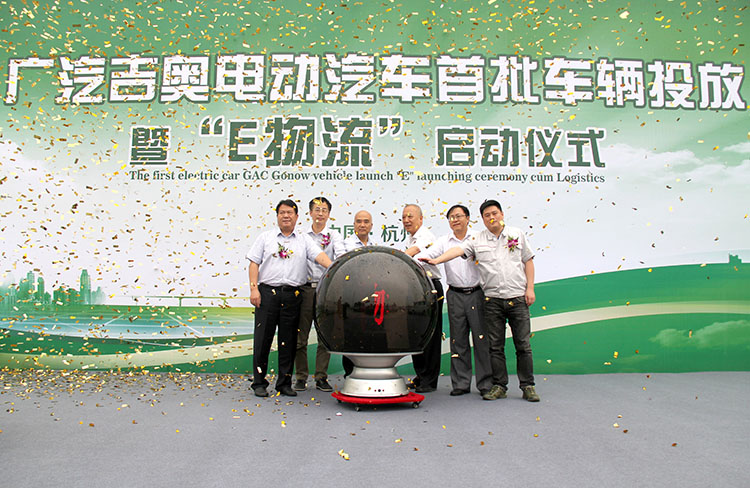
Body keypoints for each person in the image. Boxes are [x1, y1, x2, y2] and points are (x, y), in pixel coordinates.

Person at [421, 200, 540, 402]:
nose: (491, 217)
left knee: (516, 345)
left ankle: (518, 385)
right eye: (487, 215)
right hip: (479, 297)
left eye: (494, 213)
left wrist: (530, 288)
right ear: (483, 218)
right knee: (481, 345)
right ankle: (482, 385)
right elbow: (457, 251)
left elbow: (528, 260)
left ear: (501, 214)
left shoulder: (514, 234)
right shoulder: (473, 240)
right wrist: (435, 261)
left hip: (504, 296)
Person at [247, 199, 332, 398]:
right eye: (282, 213)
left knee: (289, 341)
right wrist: (254, 289)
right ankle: (259, 383)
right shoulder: (265, 238)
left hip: (293, 296)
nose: (286, 216)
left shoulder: (304, 240)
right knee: (263, 340)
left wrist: (337, 267)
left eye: (290, 213)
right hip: (267, 294)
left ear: (296, 216)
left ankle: (284, 383)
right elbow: (253, 263)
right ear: (277, 216)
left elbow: (320, 257)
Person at [421, 204, 492, 397]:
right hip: (455, 295)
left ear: (468, 218)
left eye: (459, 216)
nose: (455, 220)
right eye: (451, 217)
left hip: (477, 293)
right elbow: (428, 254)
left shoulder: (478, 237)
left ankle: (486, 384)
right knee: (458, 340)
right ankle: (461, 383)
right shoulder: (444, 241)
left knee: (481, 339)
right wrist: (418, 258)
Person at [293, 197, 345, 392]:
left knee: (324, 335)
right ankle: (301, 377)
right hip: (305, 289)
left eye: (324, 210)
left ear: (329, 214)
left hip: (326, 289)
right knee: (301, 336)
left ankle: (321, 377)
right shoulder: (301, 236)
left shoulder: (334, 235)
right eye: (317, 209)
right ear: (310, 213)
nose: (320, 213)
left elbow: (340, 256)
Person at [402, 204, 444, 393]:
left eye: (410, 216)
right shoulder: (410, 238)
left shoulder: (426, 236)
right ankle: (421, 375)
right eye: (404, 217)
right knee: (417, 333)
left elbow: (409, 255)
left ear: (421, 218)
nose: (406, 220)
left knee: (431, 335)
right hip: (415, 288)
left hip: (430, 288)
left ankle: (429, 380)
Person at [340, 209, 376, 377]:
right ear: (353, 225)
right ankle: (350, 372)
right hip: (351, 294)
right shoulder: (345, 244)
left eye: (366, 222)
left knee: (370, 331)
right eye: (359, 221)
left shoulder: (376, 244)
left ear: (371, 225)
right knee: (351, 332)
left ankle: (370, 369)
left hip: (372, 295)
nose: (362, 225)